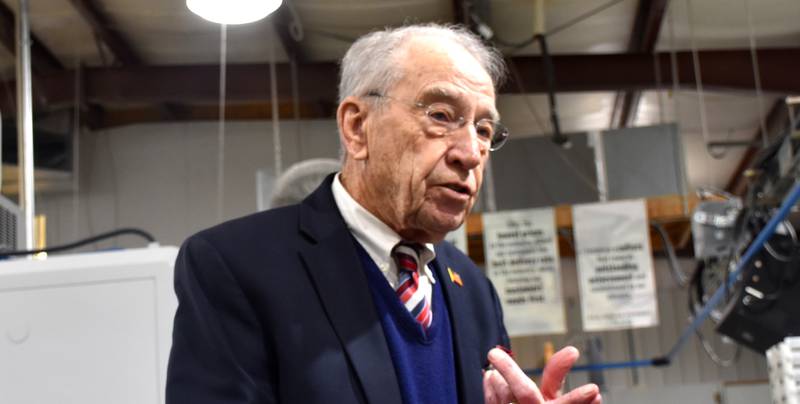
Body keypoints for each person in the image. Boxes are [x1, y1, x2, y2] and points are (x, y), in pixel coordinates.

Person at [166, 24, 601, 404]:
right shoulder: (236, 266)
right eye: (441, 115)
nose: (471, 153)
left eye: (484, 130)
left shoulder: (474, 290)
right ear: (357, 127)